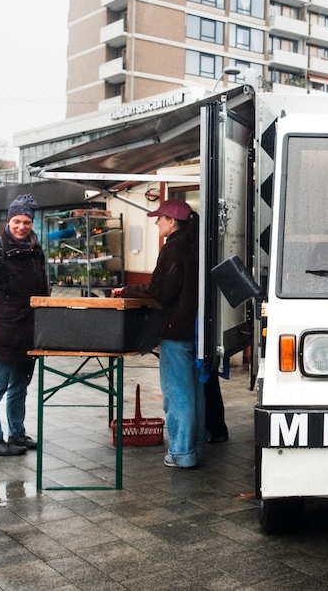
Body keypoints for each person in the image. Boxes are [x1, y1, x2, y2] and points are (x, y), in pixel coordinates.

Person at [115, 199, 204, 468]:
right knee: (196, 394)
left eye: (160, 218)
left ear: (172, 221)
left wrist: (126, 291)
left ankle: (181, 453)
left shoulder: (173, 248)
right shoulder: (197, 245)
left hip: (174, 330)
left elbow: (160, 291)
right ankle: (195, 447)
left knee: (177, 394)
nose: (156, 223)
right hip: (197, 330)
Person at [0, 194, 50, 457]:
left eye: (26, 221)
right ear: (8, 221)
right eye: (17, 221)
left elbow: (43, 290)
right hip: (1, 332)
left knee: (20, 388)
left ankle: (17, 433)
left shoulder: (36, 251)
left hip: (28, 333)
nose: (21, 227)